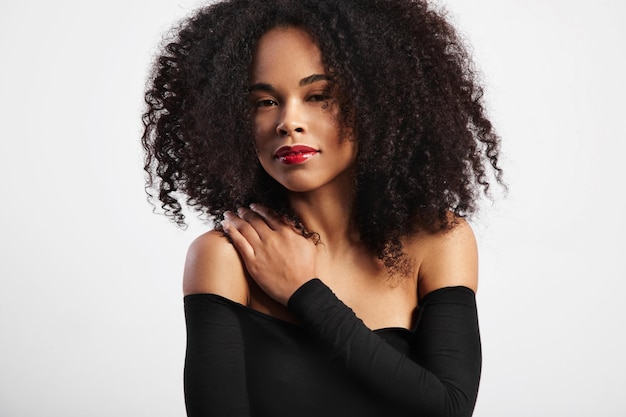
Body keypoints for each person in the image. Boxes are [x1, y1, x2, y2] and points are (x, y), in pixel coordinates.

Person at [142, 0, 503, 415]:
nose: (288, 122)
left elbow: (449, 408)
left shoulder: (438, 241)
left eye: (318, 95)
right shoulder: (226, 257)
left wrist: (304, 294)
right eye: (263, 101)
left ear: (380, 101)